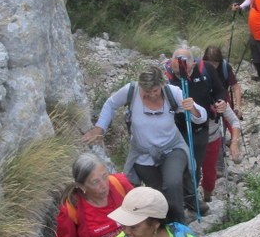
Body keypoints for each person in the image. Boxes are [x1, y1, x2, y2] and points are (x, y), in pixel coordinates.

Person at [81, 65, 207, 224]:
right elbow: (110, 104)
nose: (151, 95)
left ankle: (179, 226)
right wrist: (100, 128)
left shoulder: (172, 93)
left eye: (155, 91)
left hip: (172, 148)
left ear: (162, 85)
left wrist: (193, 109)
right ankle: (163, 225)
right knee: (157, 193)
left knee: (172, 182)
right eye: (146, 92)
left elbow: (201, 116)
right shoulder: (131, 91)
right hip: (143, 154)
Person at [165, 46, 227, 215]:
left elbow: (219, 89)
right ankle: (190, 201)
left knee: (195, 165)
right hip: (177, 129)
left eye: (185, 63)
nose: (181, 68)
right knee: (182, 166)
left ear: (193, 63)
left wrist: (220, 101)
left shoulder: (205, 70)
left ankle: (191, 199)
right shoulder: (166, 79)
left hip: (201, 128)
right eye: (176, 65)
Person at [201, 45, 241, 202]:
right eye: (209, 62)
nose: (212, 65)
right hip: (209, 107)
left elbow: (235, 88)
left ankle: (222, 163)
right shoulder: (200, 71)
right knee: (217, 134)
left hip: (222, 103)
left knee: (220, 132)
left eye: (215, 62)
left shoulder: (225, 68)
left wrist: (238, 106)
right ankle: (217, 166)